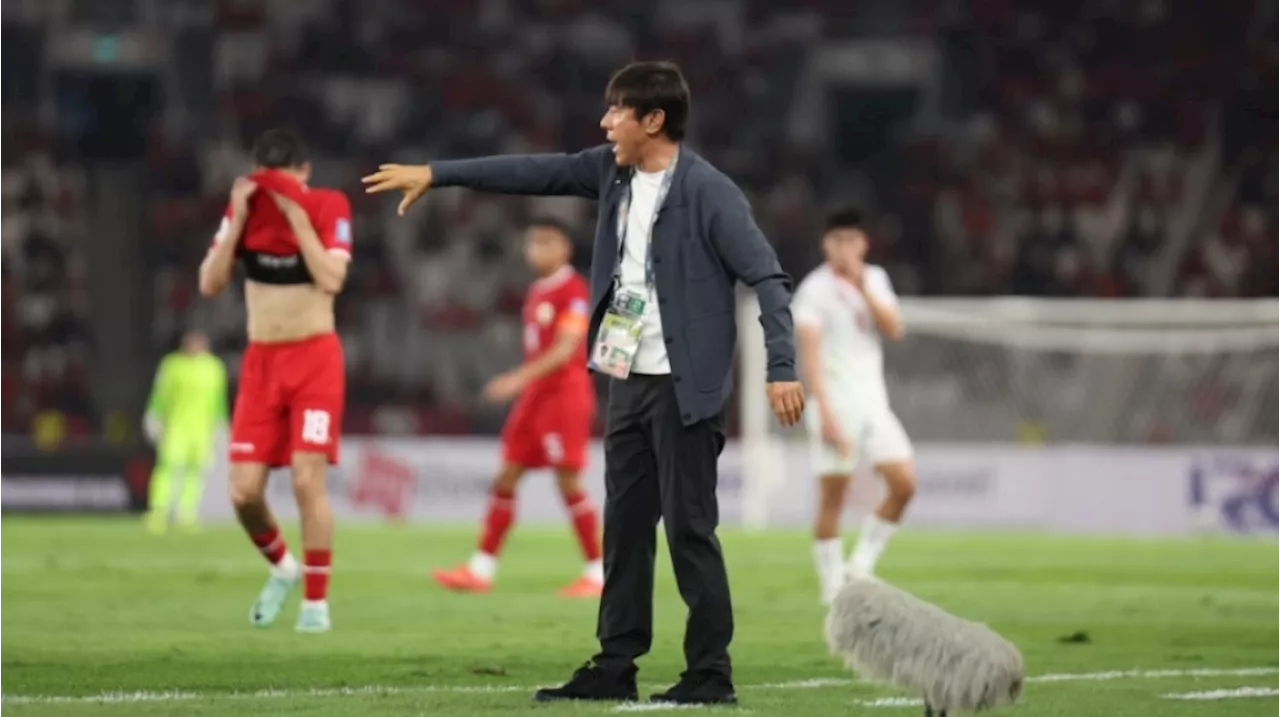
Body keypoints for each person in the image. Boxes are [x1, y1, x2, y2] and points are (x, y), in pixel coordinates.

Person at [363, 60, 805, 706]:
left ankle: (710, 673)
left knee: (688, 531)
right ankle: (615, 665)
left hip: (687, 390)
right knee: (624, 531)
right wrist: (438, 174)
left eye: (617, 111)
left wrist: (782, 365)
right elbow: (530, 170)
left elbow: (767, 277)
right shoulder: (611, 172)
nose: (605, 123)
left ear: (653, 120)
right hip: (627, 379)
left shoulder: (711, 193)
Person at [198, 128, 353, 634]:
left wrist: (295, 215)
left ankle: (316, 603)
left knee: (308, 481)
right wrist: (241, 216)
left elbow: (331, 280)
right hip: (262, 361)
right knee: (243, 493)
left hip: (314, 360)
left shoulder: (329, 205)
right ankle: (283, 566)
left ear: (304, 173)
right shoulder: (244, 211)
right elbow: (210, 282)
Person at [432, 217, 603, 598]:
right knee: (506, 477)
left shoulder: (572, 291)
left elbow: (565, 348)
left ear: (565, 249)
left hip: (563, 395)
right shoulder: (538, 290)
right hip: (536, 398)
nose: (537, 249)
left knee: (568, 482)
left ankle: (598, 572)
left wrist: (516, 379)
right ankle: (480, 569)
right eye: (533, 242)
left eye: (546, 241)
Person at [793, 209, 916, 605]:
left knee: (904, 484)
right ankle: (831, 588)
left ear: (863, 244)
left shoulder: (875, 279)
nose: (845, 247)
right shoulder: (814, 289)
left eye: (852, 239)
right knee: (833, 497)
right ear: (825, 244)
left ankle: (860, 564)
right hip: (835, 403)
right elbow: (808, 354)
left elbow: (895, 329)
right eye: (837, 240)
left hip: (873, 405)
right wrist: (824, 412)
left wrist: (862, 284)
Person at [142, 328, 228, 534]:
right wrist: (153, 416)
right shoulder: (172, 365)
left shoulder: (214, 367)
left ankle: (186, 512)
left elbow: (218, 400)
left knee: (195, 471)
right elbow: (160, 394)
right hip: (176, 427)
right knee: (167, 468)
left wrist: (220, 424)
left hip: (202, 430)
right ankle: (158, 511)